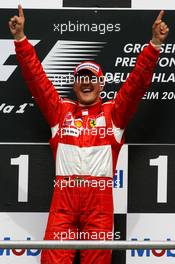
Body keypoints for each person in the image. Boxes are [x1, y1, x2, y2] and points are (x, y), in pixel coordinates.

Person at [8, 5, 169, 264]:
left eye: (92, 78)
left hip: (100, 209)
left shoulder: (114, 114)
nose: (86, 82)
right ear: (73, 84)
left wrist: (153, 46)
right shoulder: (60, 112)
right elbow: (36, 80)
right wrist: (20, 40)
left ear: (101, 83)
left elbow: (137, 85)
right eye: (81, 77)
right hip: (63, 206)